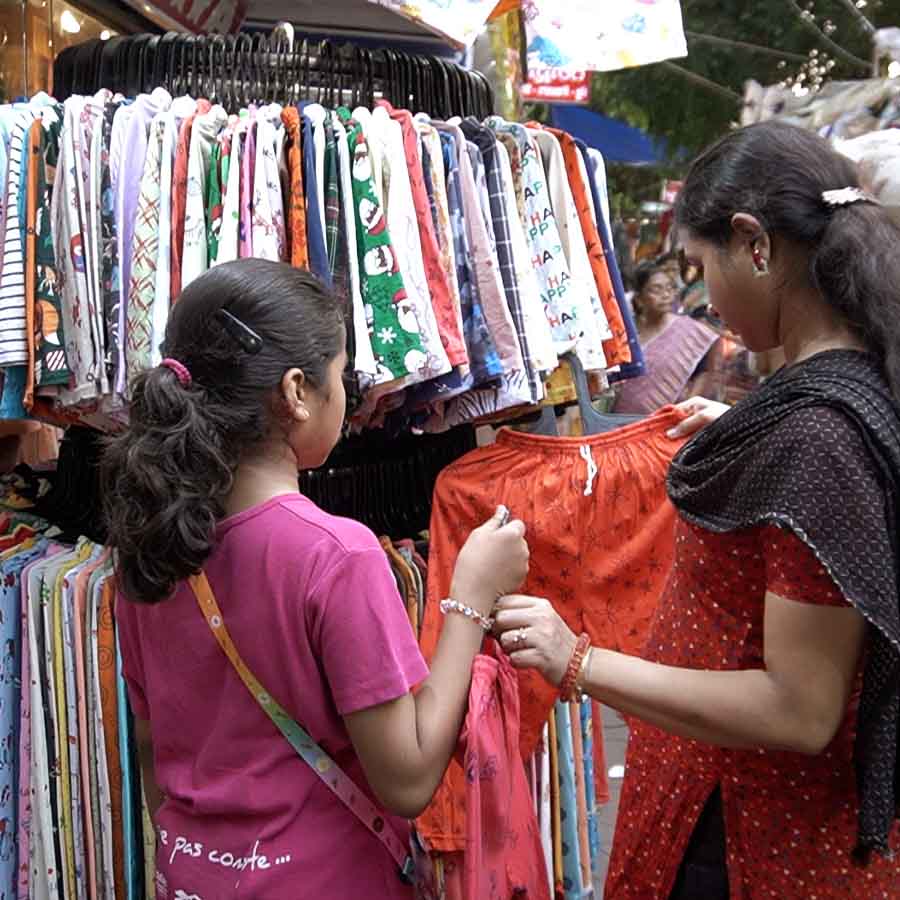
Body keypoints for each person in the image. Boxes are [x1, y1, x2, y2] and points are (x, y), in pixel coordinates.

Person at [494, 121, 900, 898]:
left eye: (699, 266)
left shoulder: (818, 439)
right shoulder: (837, 396)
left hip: (754, 832)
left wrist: (578, 661)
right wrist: (750, 434)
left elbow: (799, 707)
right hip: (751, 813)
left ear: (754, 244)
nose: (703, 298)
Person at [101, 260, 529, 900]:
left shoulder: (148, 548)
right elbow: (408, 781)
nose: (347, 399)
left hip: (190, 877)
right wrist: (469, 597)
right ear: (297, 390)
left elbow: (152, 750)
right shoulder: (337, 554)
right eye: (342, 377)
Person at [614, 262, 720, 414]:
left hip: (670, 419)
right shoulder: (625, 333)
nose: (665, 294)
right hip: (621, 419)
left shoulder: (689, 331)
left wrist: (688, 406)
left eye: (670, 288)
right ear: (639, 299)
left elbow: (704, 371)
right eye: (656, 289)